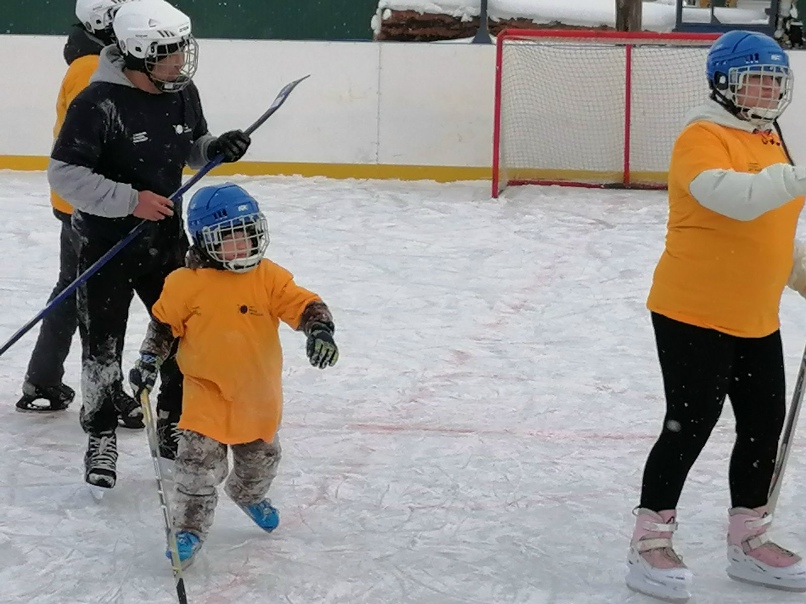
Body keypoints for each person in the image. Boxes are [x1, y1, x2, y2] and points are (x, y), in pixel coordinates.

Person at [625, 30, 806, 601]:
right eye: (755, 79)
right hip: (692, 311)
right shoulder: (700, 137)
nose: (765, 90)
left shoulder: (770, 138)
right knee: (690, 423)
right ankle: (650, 541)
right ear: (724, 84)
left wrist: (802, 271)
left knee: (762, 428)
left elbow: (771, 227)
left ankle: (748, 540)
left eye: (774, 81)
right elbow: (736, 198)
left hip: (756, 314)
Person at [47, 0, 252, 491]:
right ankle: (100, 434)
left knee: (182, 335)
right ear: (139, 56)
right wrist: (129, 200)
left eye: (183, 50)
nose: (181, 62)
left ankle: (172, 422)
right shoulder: (97, 103)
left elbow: (191, 143)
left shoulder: (182, 92)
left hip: (166, 243)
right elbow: (66, 174)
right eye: (170, 54)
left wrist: (214, 148)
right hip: (105, 246)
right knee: (103, 345)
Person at [128, 182, 339, 568]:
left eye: (248, 236)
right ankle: (189, 529)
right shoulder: (184, 284)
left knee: (261, 462)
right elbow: (162, 327)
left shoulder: (268, 277)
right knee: (196, 471)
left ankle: (248, 494)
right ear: (205, 242)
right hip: (205, 398)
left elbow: (303, 302)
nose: (241, 247)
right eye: (229, 240)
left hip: (257, 399)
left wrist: (319, 328)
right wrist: (147, 362)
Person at [16, 0, 143, 429]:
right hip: (88, 206)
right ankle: (103, 391)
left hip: (80, 202)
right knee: (96, 298)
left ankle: (43, 379)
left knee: (74, 291)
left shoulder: (90, 59)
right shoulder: (93, 67)